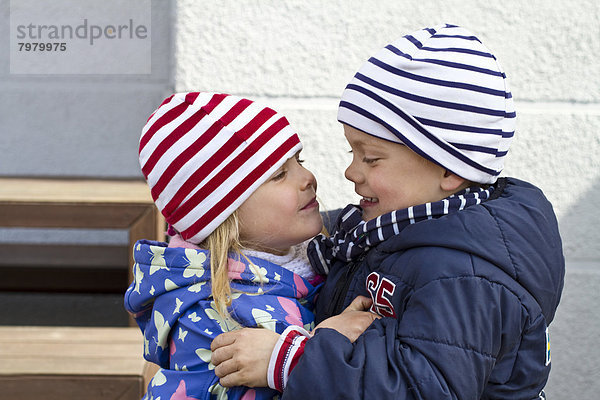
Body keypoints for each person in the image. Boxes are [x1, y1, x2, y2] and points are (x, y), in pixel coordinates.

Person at [210, 24, 565, 399]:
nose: (351, 172)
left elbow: (421, 390)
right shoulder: (389, 231)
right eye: (352, 153)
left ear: (449, 170)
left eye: (371, 158)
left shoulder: (465, 276)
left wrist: (292, 361)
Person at [124, 92, 378, 400]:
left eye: (299, 161)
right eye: (279, 174)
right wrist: (323, 345)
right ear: (222, 213)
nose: (307, 177)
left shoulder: (303, 256)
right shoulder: (213, 312)